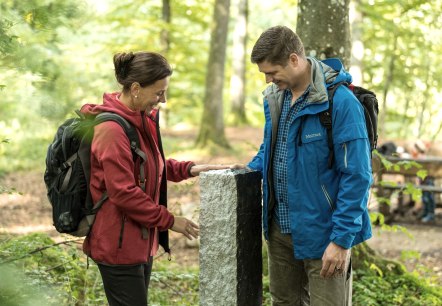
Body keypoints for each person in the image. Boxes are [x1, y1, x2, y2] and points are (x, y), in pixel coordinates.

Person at [81, 51, 234, 306]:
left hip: (139, 242)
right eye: (159, 92)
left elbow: (151, 166)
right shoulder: (111, 130)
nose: (163, 99)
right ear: (136, 88)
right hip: (118, 247)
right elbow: (123, 192)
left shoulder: (141, 119)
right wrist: (171, 221)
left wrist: (191, 169)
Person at [246, 26, 373, 305]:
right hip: (280, 231)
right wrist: (247, 169)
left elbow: (358, 176)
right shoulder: (276, 98)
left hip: (326, 232)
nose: (268, 79)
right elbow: (272, 148)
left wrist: (341, 240)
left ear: (294, 59)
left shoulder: (340, 102)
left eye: (271, 72)